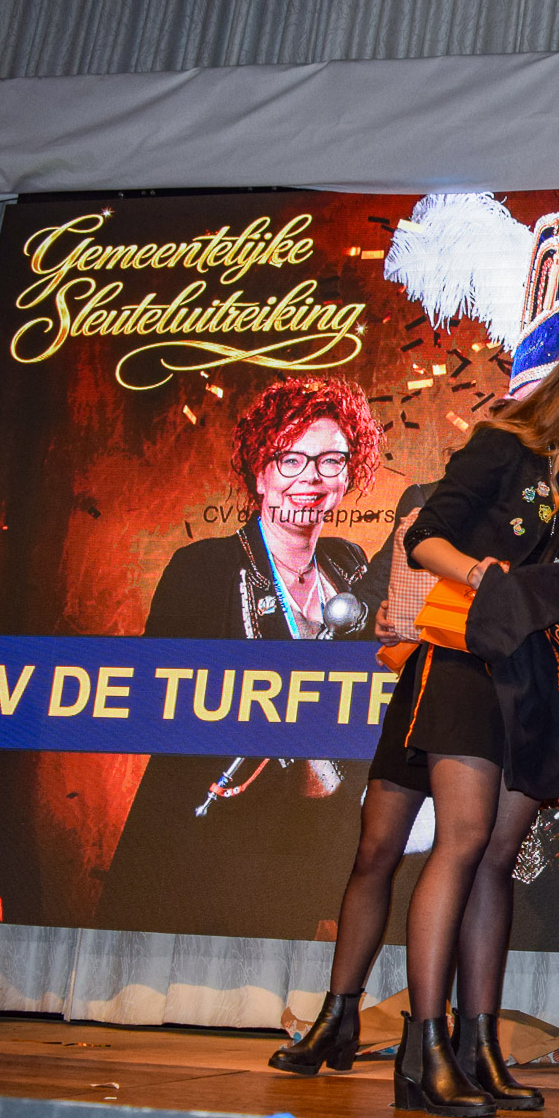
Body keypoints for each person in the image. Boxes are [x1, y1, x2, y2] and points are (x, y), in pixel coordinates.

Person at [378, 327, 559, 1117]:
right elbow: (424, 538)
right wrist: (482, 576)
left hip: (538, 676)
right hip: (465, 657)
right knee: (461, 842)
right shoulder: (501, 445)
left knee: (498, 855)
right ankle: (423, 1046)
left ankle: (479, 1046)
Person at [95, 376, 382, 938]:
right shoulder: (203, 569)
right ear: (259, 471)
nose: (311, 478)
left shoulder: (350, 564)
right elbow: (159, 702)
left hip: (314, 842)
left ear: (350, 473)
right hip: (213, 844)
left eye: (331, 461)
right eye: (291, 459)